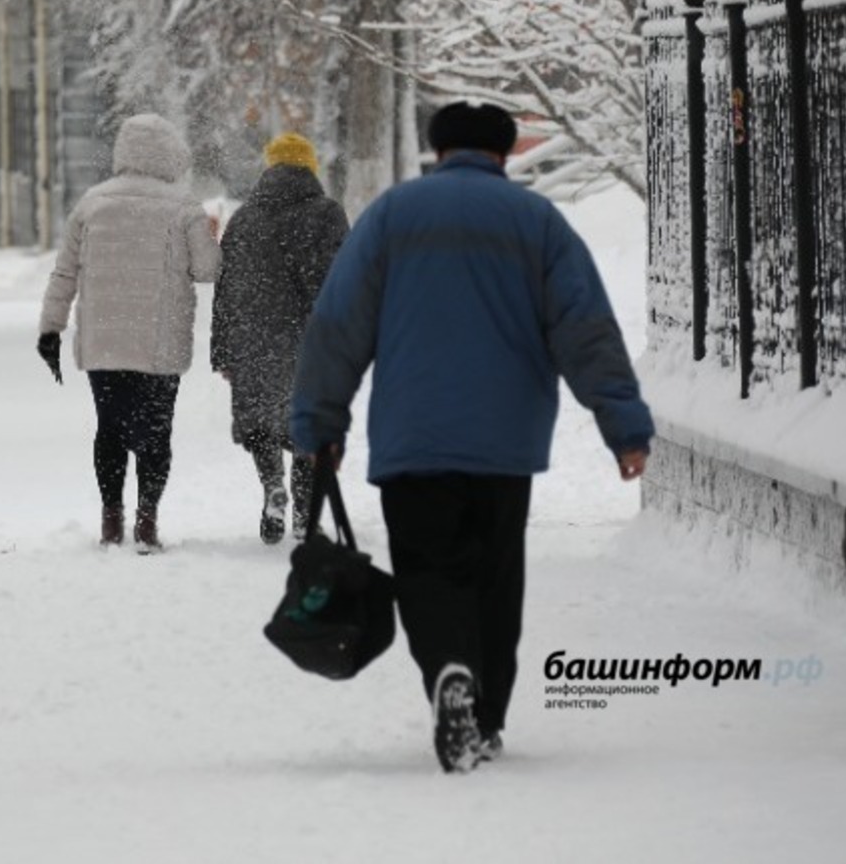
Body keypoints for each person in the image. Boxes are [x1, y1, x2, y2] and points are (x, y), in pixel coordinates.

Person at [289, 102, 655, 773]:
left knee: (428, 572)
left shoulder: (392, 216)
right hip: (503, 443)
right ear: (505, 153)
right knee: (495, 579)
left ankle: (448, 670)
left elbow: (337, 323)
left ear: (437, 149)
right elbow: (585, 329)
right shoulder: (536, 222)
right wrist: (623, 427)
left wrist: (320, 421)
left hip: (414, 439)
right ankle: (485, 718)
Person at [36, 114, 221, 553]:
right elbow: (207, 270)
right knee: (155, 433)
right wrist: (213, 237)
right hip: (159, 342)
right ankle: (147, 521)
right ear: (169, 154)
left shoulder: (92, 203)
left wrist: (50, 329)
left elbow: (65, 272)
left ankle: (111, 520)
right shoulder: (184, 208)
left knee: (111, 430)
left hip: (104, 343)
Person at [212, 133, 348, 545]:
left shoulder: (244, 218)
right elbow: (342, 280)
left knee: (261, 423)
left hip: (252, 339)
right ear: (311, 167)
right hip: (309, 338)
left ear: (269, 167)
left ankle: (272, 487)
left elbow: (226, 288)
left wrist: (223, 351)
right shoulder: (327, 214)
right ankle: (305, 513)